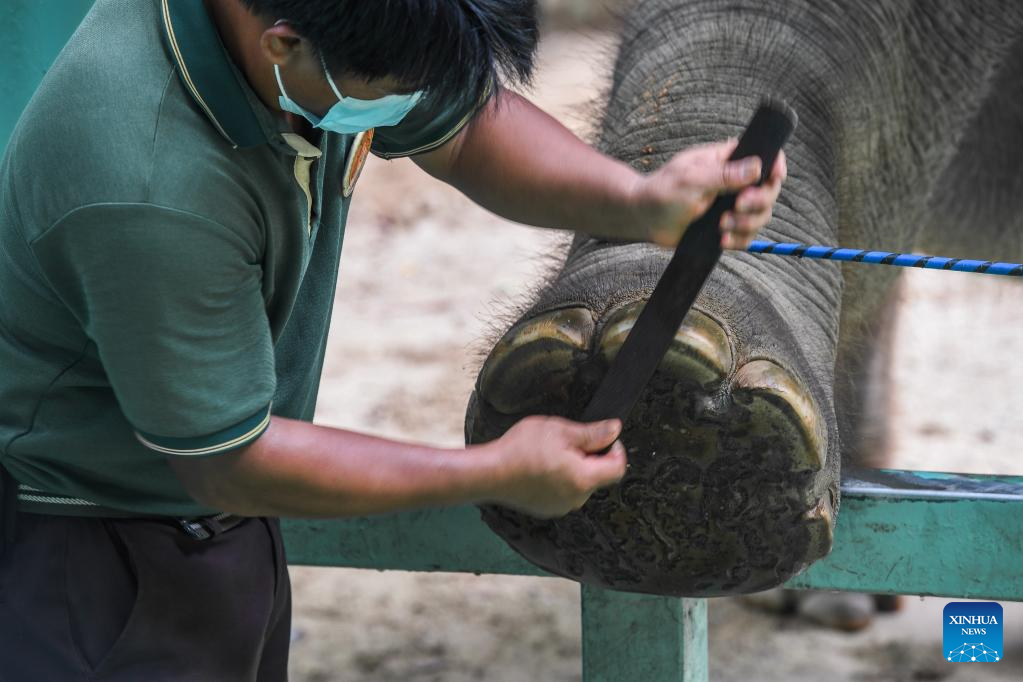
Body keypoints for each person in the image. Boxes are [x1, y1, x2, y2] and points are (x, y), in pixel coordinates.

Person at [0, 0, 786, 679]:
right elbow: (230, 461)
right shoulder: (149, 183)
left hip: (215, 525)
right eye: (393, 95)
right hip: (96, 560)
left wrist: (638, 200)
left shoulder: (326, 43)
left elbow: (466, 129)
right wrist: (489, 472)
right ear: (283, 45)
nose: (407, 109)